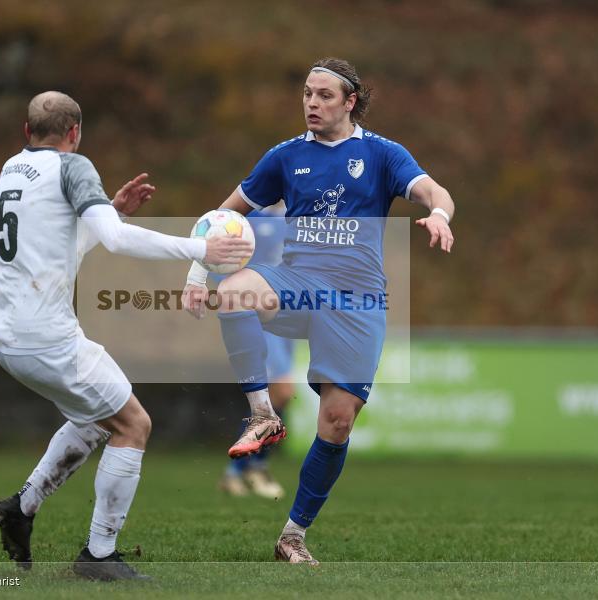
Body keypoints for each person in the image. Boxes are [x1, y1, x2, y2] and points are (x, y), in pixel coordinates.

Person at [183, 58, 455, 564]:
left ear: (350, 102)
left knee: (336, 421)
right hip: (299, 283)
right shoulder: (285, 157)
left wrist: (438, 213)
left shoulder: (381, 154)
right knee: (236, 290)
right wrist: (199, 274)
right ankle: (262, 415)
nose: (312, 102)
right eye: (307, 93)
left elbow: (433, 190)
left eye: (324, 95)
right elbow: (223, 215)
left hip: (356, 299)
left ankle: (292, 535)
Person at [0, 91, 251, 581]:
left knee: (97, 417)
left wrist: (110, 210)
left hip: (6, 336)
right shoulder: (73, 167)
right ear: (75, 133)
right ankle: (98, 557)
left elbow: (58, 245)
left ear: (26, 132)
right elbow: (116, 242)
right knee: (134, 425)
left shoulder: (10, 170)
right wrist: (202, 248)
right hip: (45, 337)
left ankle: (22, 507)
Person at [217, 204, 294, 499]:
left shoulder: (303, 217)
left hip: (289, 316)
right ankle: (248, 468)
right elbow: (221, 265)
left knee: (279, 394)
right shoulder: (250, 219)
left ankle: (242, 469)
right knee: (283, 390)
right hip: (260, 317)